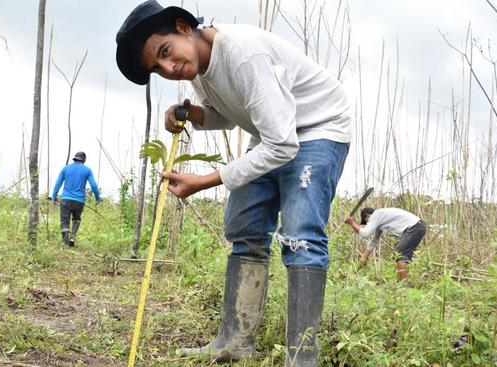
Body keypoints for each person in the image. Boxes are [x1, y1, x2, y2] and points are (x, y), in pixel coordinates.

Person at [116, 1, 351, 365]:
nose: (169, 68)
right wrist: (192, 114)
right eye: (157, 68)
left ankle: (302, 358)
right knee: (245, 227)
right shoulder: (197, 66)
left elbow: (283, 144)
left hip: (316, 128)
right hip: (272, 134)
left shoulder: (243, 54)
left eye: (165, 53)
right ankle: (235, 342)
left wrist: (206, 180)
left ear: (182, 26)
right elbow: (228, 113)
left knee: (301, 234)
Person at [344, 207, 427, 282]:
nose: (368, 224)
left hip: (414, 227)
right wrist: (365, 255)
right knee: (400, 254)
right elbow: (374, 241)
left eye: (366, 222)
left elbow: (365, 233)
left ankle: (404, 286)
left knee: (400, 254)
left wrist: (351, 223)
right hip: (417, 226)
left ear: (367, 215)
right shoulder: (381, 219)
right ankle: (404, 282)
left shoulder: (376, 215)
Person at [51, 151, 102, 248]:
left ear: (74, 158)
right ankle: (72, 237)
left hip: (65, 200)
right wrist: (98, 198)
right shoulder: (87, 170)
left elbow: (58, 183)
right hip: (79, 202)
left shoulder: (65, 168)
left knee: (65, 222)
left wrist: (54, 197)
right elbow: (94, 185)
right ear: (84, 160)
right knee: (76, 219)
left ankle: (65, 244)